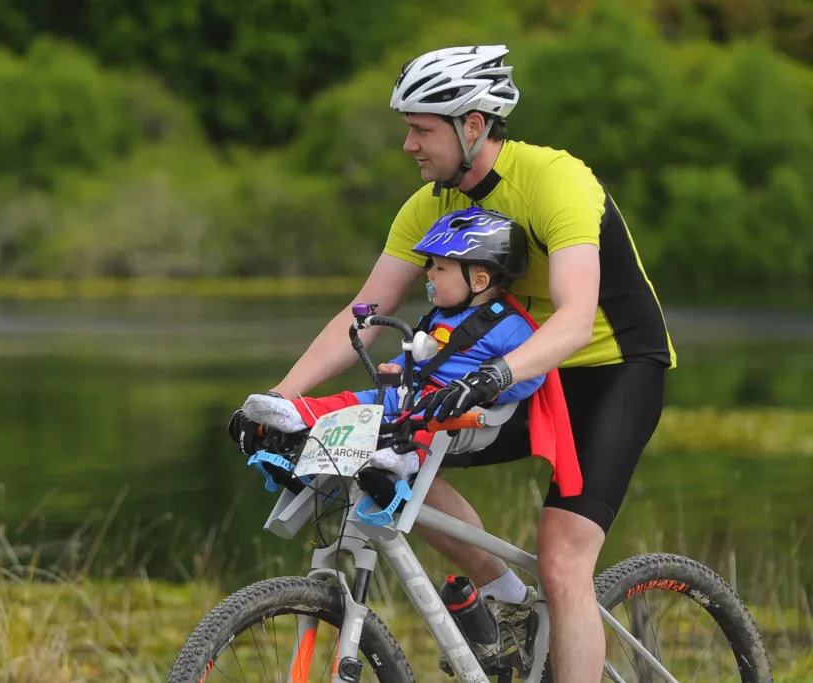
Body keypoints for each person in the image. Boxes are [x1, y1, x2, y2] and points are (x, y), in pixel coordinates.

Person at [229, 45, 674, 682]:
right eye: (407, 127)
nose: (408, 144)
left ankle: (545, 608)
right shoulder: (428, 207)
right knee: (391, 453)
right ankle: (510, 605)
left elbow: (575, 320)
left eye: (421, 128)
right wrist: (278, 396)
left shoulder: (556, 180)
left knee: (563, 560)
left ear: (472, 125)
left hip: (610, 367)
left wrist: (492, 375)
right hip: (507, 372)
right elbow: (359, 315)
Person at [238, 207, 554, 482]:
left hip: (454, 407)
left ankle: (407, 457)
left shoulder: (512, 327)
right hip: (409, 394)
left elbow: (533, 373)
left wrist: (489, 385)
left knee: (429, 419)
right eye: (431, 265)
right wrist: (398, 366)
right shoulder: (441, 316)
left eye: (440, 268)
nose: (429, 274)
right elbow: (420, 351)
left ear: (480, 281)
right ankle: (295, 414)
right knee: (356, 401)